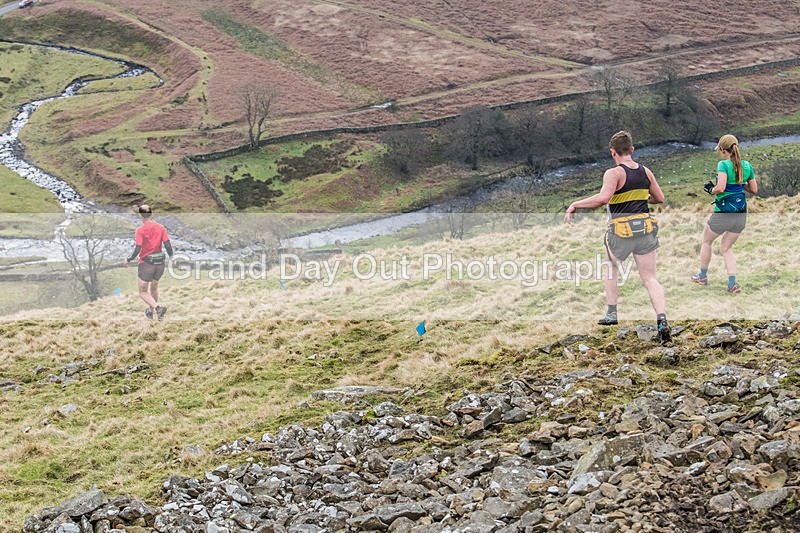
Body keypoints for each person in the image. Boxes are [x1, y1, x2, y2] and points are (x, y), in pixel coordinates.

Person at [564, 130, 671, 343]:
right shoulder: (646, 172)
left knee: (612, 268)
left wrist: (576, 204)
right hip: (645, 230)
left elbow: (603, 199)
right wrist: (640, 198)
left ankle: (612, 313)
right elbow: (659, 198)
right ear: (632, 149)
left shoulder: (614, 174)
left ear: (613, 152)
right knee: (650, 278)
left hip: (621, 232)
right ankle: (662, 320)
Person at [691, 134, 757, 293]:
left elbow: (720, 188)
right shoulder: (747, 166)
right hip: (741, 214)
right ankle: (732, 284)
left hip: (724, 212)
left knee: (706, 242)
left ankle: (702, 276)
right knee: (726, 248)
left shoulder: (723, 164)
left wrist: (710, 190)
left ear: (722, 150)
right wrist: (739, 185)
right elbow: (754, 190)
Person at [124, 205, 174, 320]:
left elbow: (137, 249)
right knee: (154, 288)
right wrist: (172, 258)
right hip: (160, 263)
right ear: (152, 214)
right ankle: (151, 313)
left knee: (142, 292)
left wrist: (128, 259)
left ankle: (158, 308)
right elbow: (167, 245)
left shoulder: (140, 230)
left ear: (140, 216)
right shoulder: (161, 227)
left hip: (147, 264)